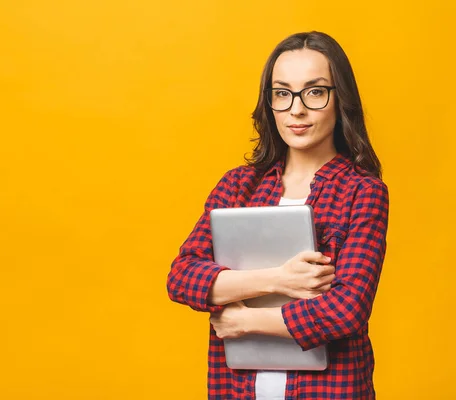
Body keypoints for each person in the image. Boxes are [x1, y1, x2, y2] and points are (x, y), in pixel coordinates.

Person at [166, 31, 389, 400]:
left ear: (340, 99)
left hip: (329, 390)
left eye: (315, 92)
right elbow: (182, 277)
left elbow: (348, 309)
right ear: (269, 103)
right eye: (282, 93)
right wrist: (279, 280)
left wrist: (246, 321)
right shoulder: (238, 187)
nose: (296, 109)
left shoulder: (362, 191)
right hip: (238, 390)